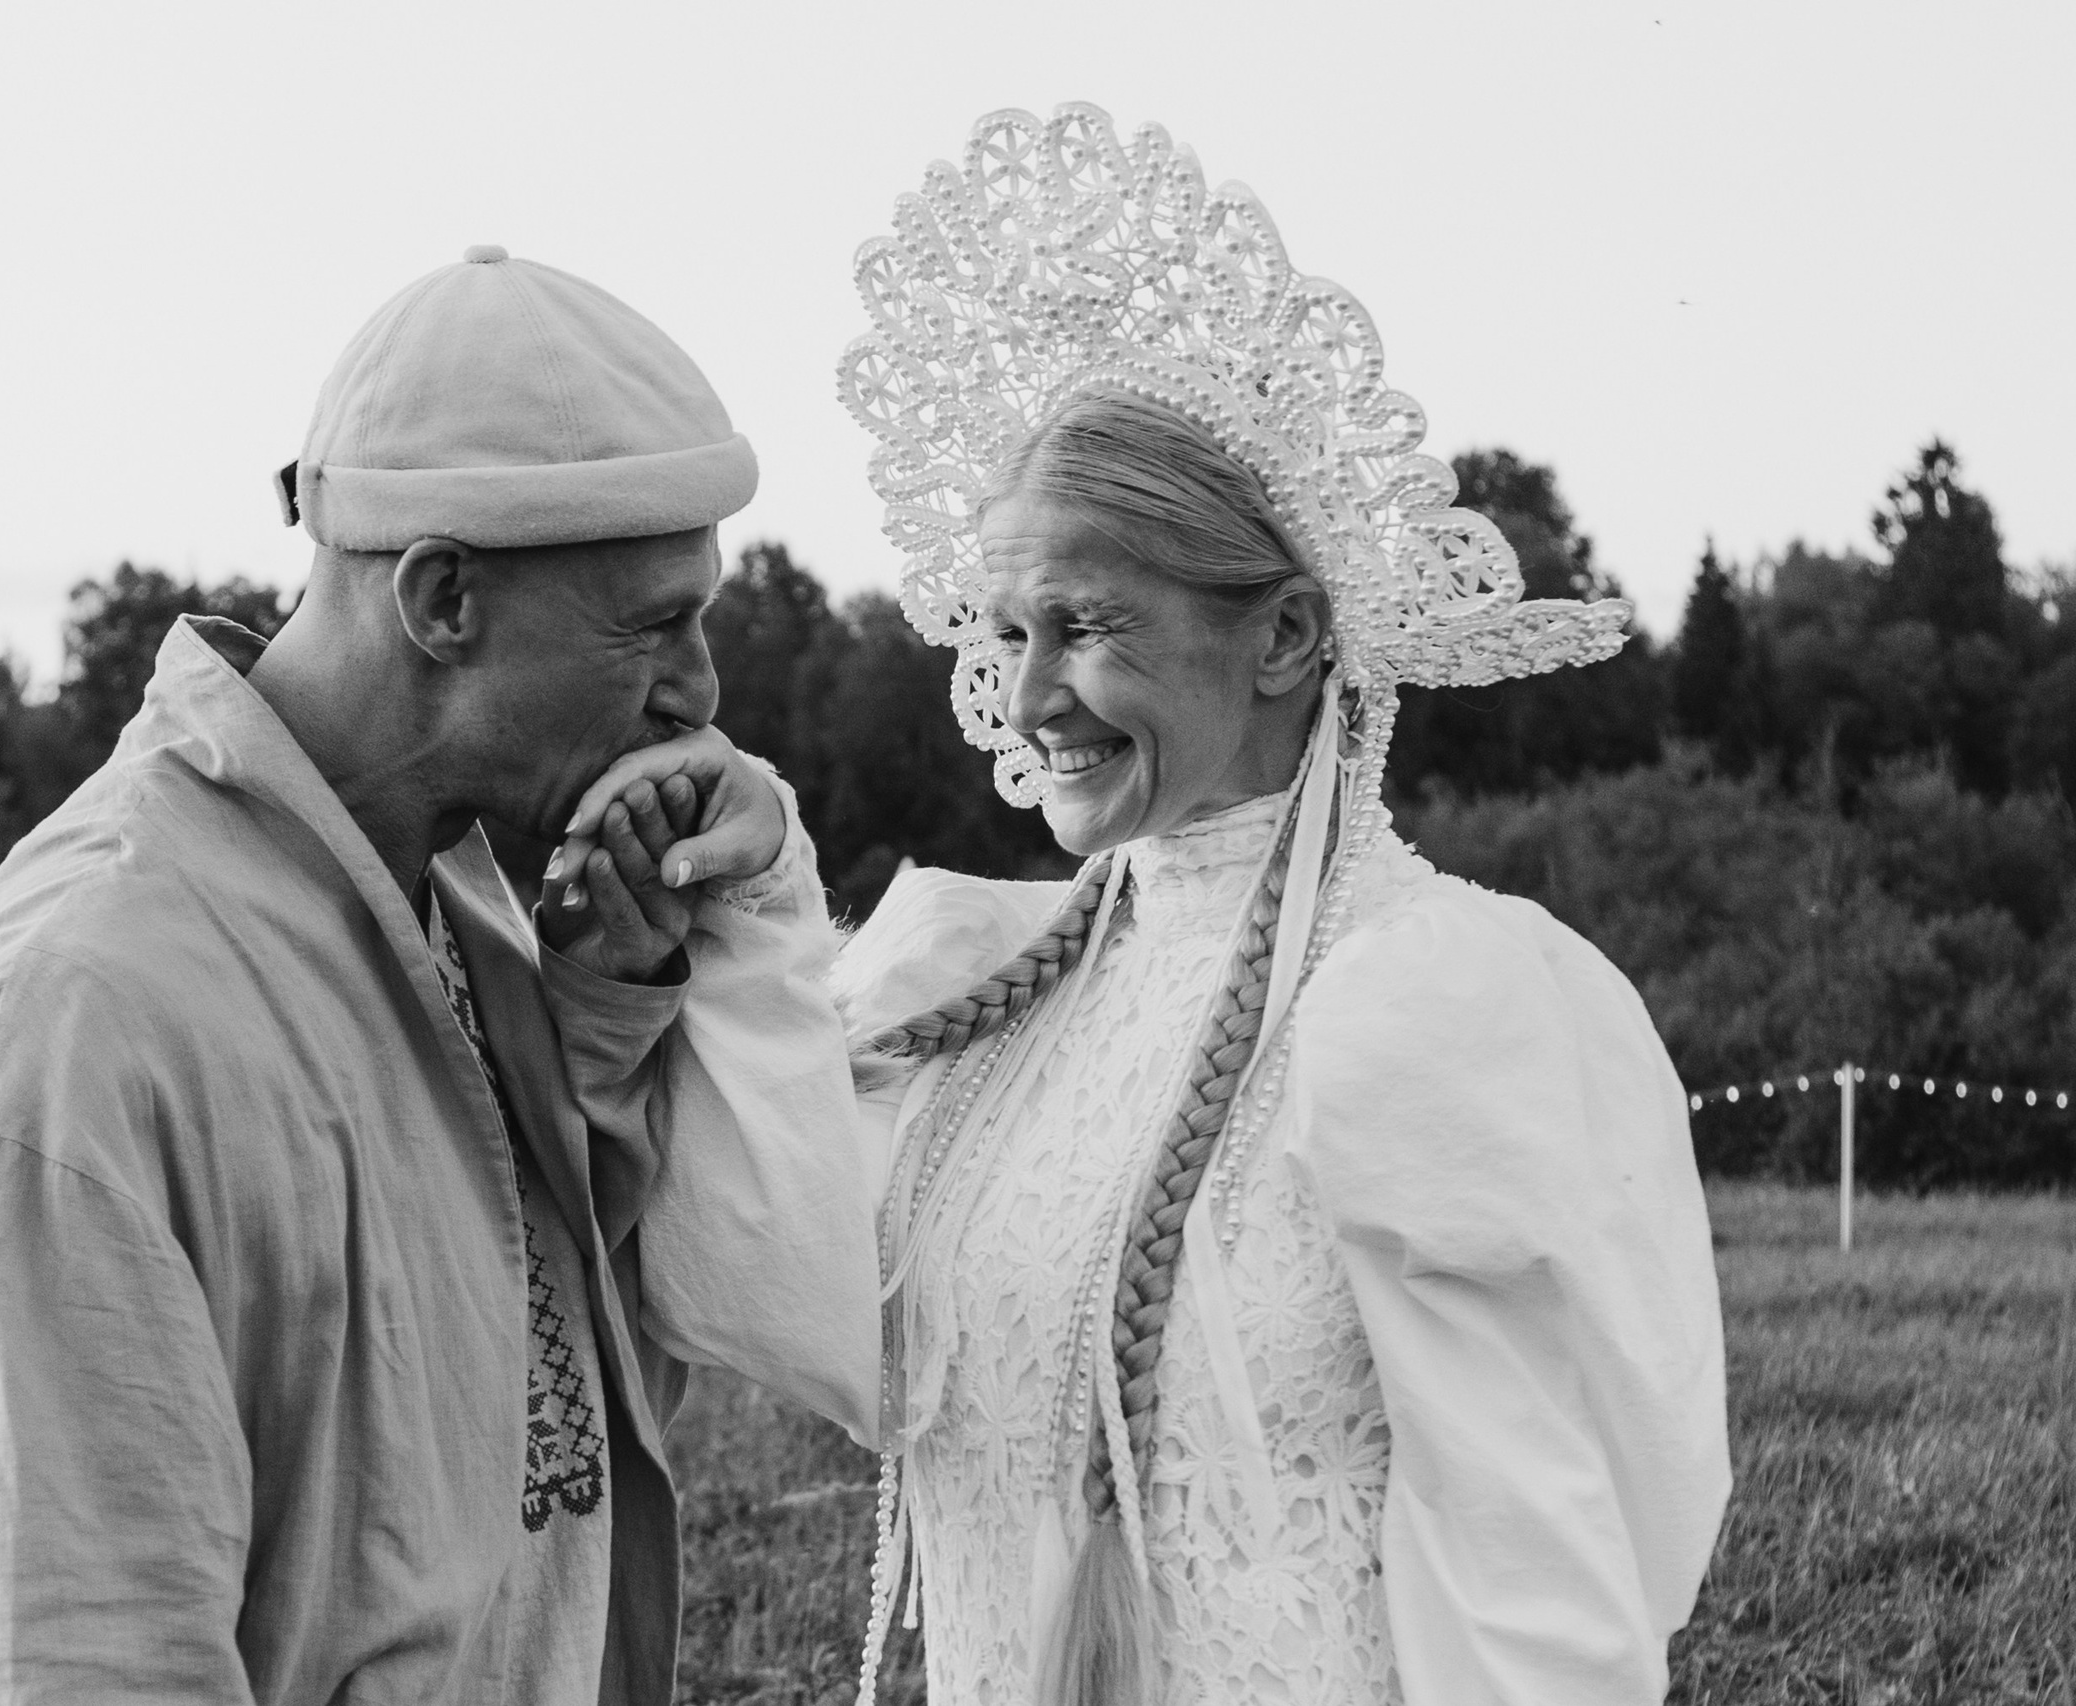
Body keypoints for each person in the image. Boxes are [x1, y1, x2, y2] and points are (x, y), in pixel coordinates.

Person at [559, 106, 1731, 1705]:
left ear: (1288, 634)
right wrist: (751, 896)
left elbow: (1552, 1593)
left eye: (1087, 621)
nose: (1029, 692)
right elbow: (756, 1287)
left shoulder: (1426, 1003)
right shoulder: (998, 989)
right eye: (1008, 626)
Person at [0, 245, 876, 1705]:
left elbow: (534, 1429)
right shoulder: (85, 1016)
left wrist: (604, 1003)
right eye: (652, 624)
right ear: (443, 598)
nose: (698, 690)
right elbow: (61, 1648)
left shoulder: (459, 898)